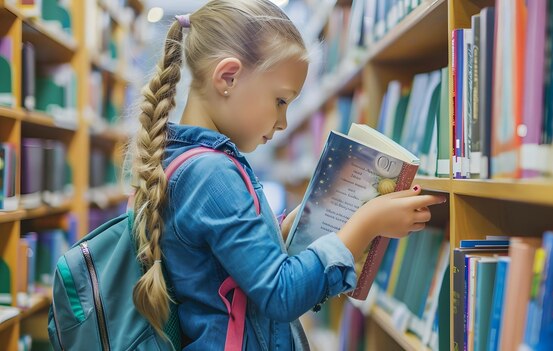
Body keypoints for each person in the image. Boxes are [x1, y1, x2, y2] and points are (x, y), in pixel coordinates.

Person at [128, 0, 447, 350]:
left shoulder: (192, 162)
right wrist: (367, 225)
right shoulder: (211, 173)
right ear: (228, 77)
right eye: (281, 100)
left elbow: (223, 268)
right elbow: (281, 295)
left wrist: (284, 231)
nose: (283, 123)